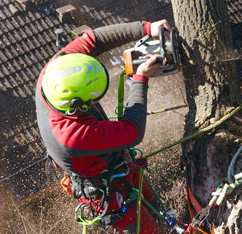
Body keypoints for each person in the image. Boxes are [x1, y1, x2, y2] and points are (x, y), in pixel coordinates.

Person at [35, 19, 171, 234]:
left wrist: (145, 28)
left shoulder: (57, 71)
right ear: (77, 106)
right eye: (93, 100)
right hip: (109, 191)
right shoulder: (72, 136)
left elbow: (94, 39)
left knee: (158, 208)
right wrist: (140, 79)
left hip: (122, 166)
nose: (97, 103)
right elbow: (133, 131)